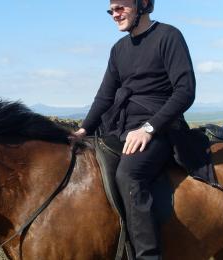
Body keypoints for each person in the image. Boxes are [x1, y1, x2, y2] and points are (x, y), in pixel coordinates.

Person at [72, 0, 196, 259]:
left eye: (121, 8)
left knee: (129, 175)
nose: (115, 15)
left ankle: (148, 256)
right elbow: (104, 97)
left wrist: (149, 129)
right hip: (120, 127)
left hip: (161, 128)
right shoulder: (118, 49)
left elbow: (185, 91)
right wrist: (84, 130)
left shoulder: (168, 36)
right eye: (111, 10)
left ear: (143, 5)